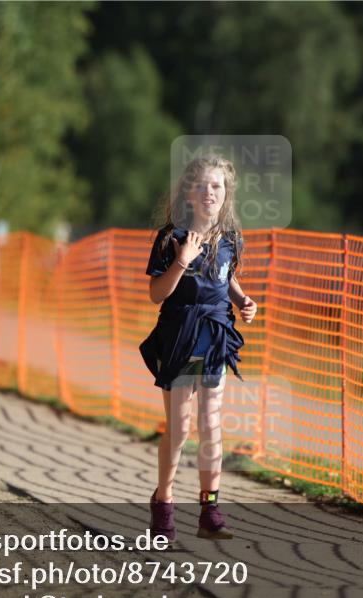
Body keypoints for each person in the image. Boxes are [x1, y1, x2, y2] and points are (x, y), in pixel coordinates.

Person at [139, 154, 257, 542]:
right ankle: (164, 502)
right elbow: (157, 294)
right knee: (179, 427)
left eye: (217, 186)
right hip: (180, 335)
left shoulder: (231, 239)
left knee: (210, 424)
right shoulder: (172, 237)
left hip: (216, 334)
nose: (210, 192)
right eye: (202, 186)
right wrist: (181, 261)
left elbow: (225, 276)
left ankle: (210, 510)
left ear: (226, 193)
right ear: (188, 193)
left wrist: (242, 301)